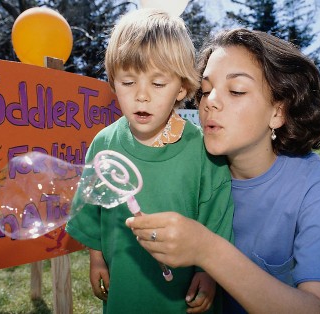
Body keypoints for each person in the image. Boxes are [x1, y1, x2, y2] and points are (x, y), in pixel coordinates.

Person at [126, 28, 320, 313]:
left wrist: (208, 250)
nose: (210, 101)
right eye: (204, 90)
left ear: (278, 112)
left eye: (236, 90)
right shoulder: (188, 169)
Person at [66, 9, 234, 313]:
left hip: (185, 298)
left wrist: (208, 273)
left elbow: (217, 218)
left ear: (181, 88)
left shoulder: (203, 150)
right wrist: (96, 258)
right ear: (113, 81)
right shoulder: (104, 144)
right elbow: (91, 210)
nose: (141, 96)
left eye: (158, 84)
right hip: (124, 294)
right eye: (128, 82)